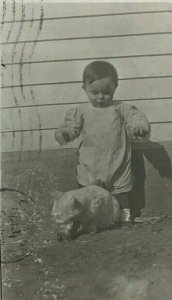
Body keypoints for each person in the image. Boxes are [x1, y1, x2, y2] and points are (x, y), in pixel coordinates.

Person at [55, 61, 151, 223]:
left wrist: (138, 127)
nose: (100, 97)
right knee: (88, 204)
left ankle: (123, 220)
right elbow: (72, 126)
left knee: (121, 205)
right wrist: (65, 133)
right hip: (91, 170)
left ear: (115, 87)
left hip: (117, 169)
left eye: (106, 92)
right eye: (94, 92)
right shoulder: (81, 112)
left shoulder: (120, 108)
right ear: (84, 88)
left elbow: (135, 117)